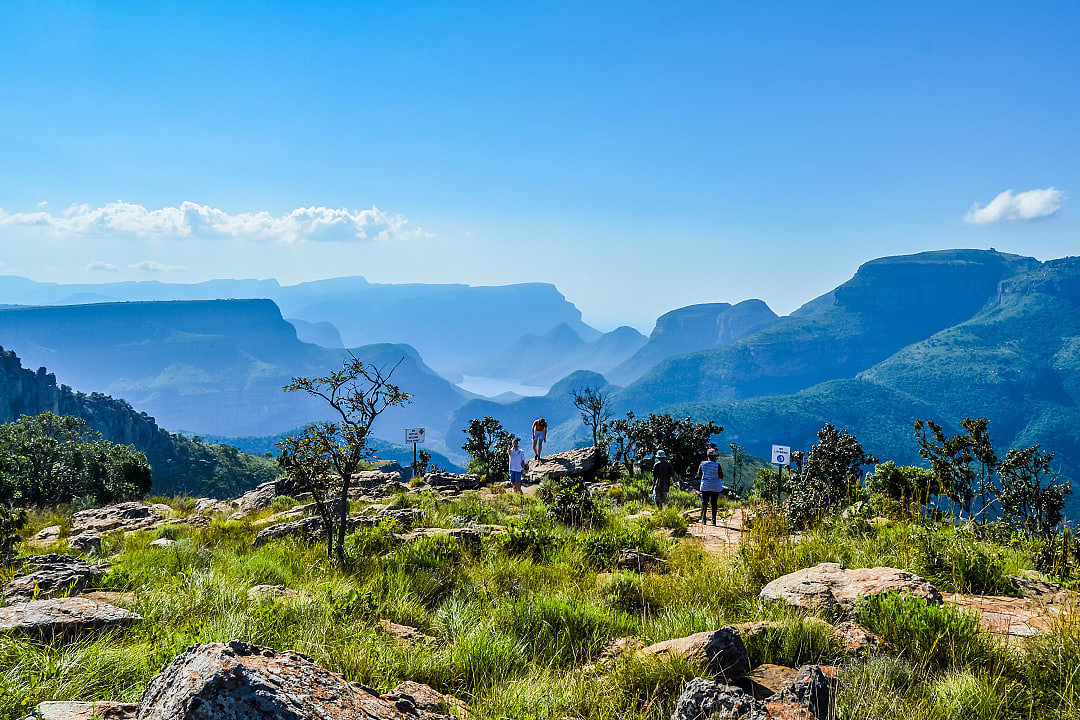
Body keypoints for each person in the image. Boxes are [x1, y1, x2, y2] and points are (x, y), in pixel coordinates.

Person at [696, 447, 725, 525]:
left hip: (705, 486)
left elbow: (699, 474)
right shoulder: (717, 465)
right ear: (715, 457)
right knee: (714, 503)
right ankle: (713, 520)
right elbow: (721, 476)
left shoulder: (702, 464)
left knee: (704, 502)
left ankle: (704, 519)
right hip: (715, 486)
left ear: (707, 456)